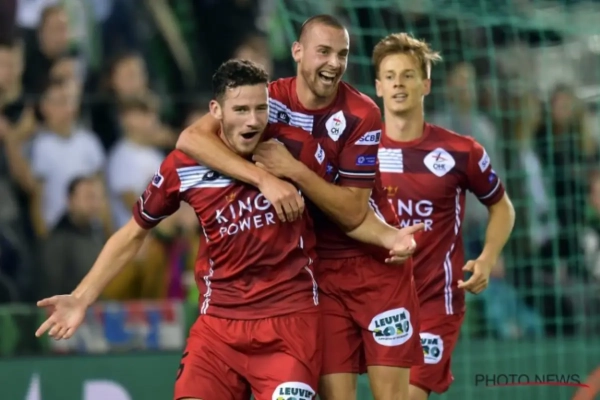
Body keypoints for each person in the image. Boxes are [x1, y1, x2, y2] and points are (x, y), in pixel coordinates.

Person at [34, 59, 420, 400]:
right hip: (218, 327)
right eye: (240, 109)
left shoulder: (293, 151)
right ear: (216, 110)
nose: (252, 120)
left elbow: (344, 209)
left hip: (289, 324)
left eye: (260, 108)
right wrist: (81, 297)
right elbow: (134, 232)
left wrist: (389, 235)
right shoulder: (184, 166)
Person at [176, 15, 423, 400]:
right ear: (297, 51)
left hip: (376, 262)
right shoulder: (265, 101)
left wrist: (292, 171)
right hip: (317, 273)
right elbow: (191, 139)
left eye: (342, 54)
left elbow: (352, 213)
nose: (334, 63)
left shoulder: (361, 113)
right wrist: (264, 179)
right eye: (323, 52)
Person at [372, 33, 516, 400]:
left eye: (408, 75)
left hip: (437, 301)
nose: (398, 84)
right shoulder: (360, 151)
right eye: (390, 76)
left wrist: (487, 258)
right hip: (377, 298)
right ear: (378, 86)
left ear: (426, 84)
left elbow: (502, 207)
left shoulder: (460, 151)